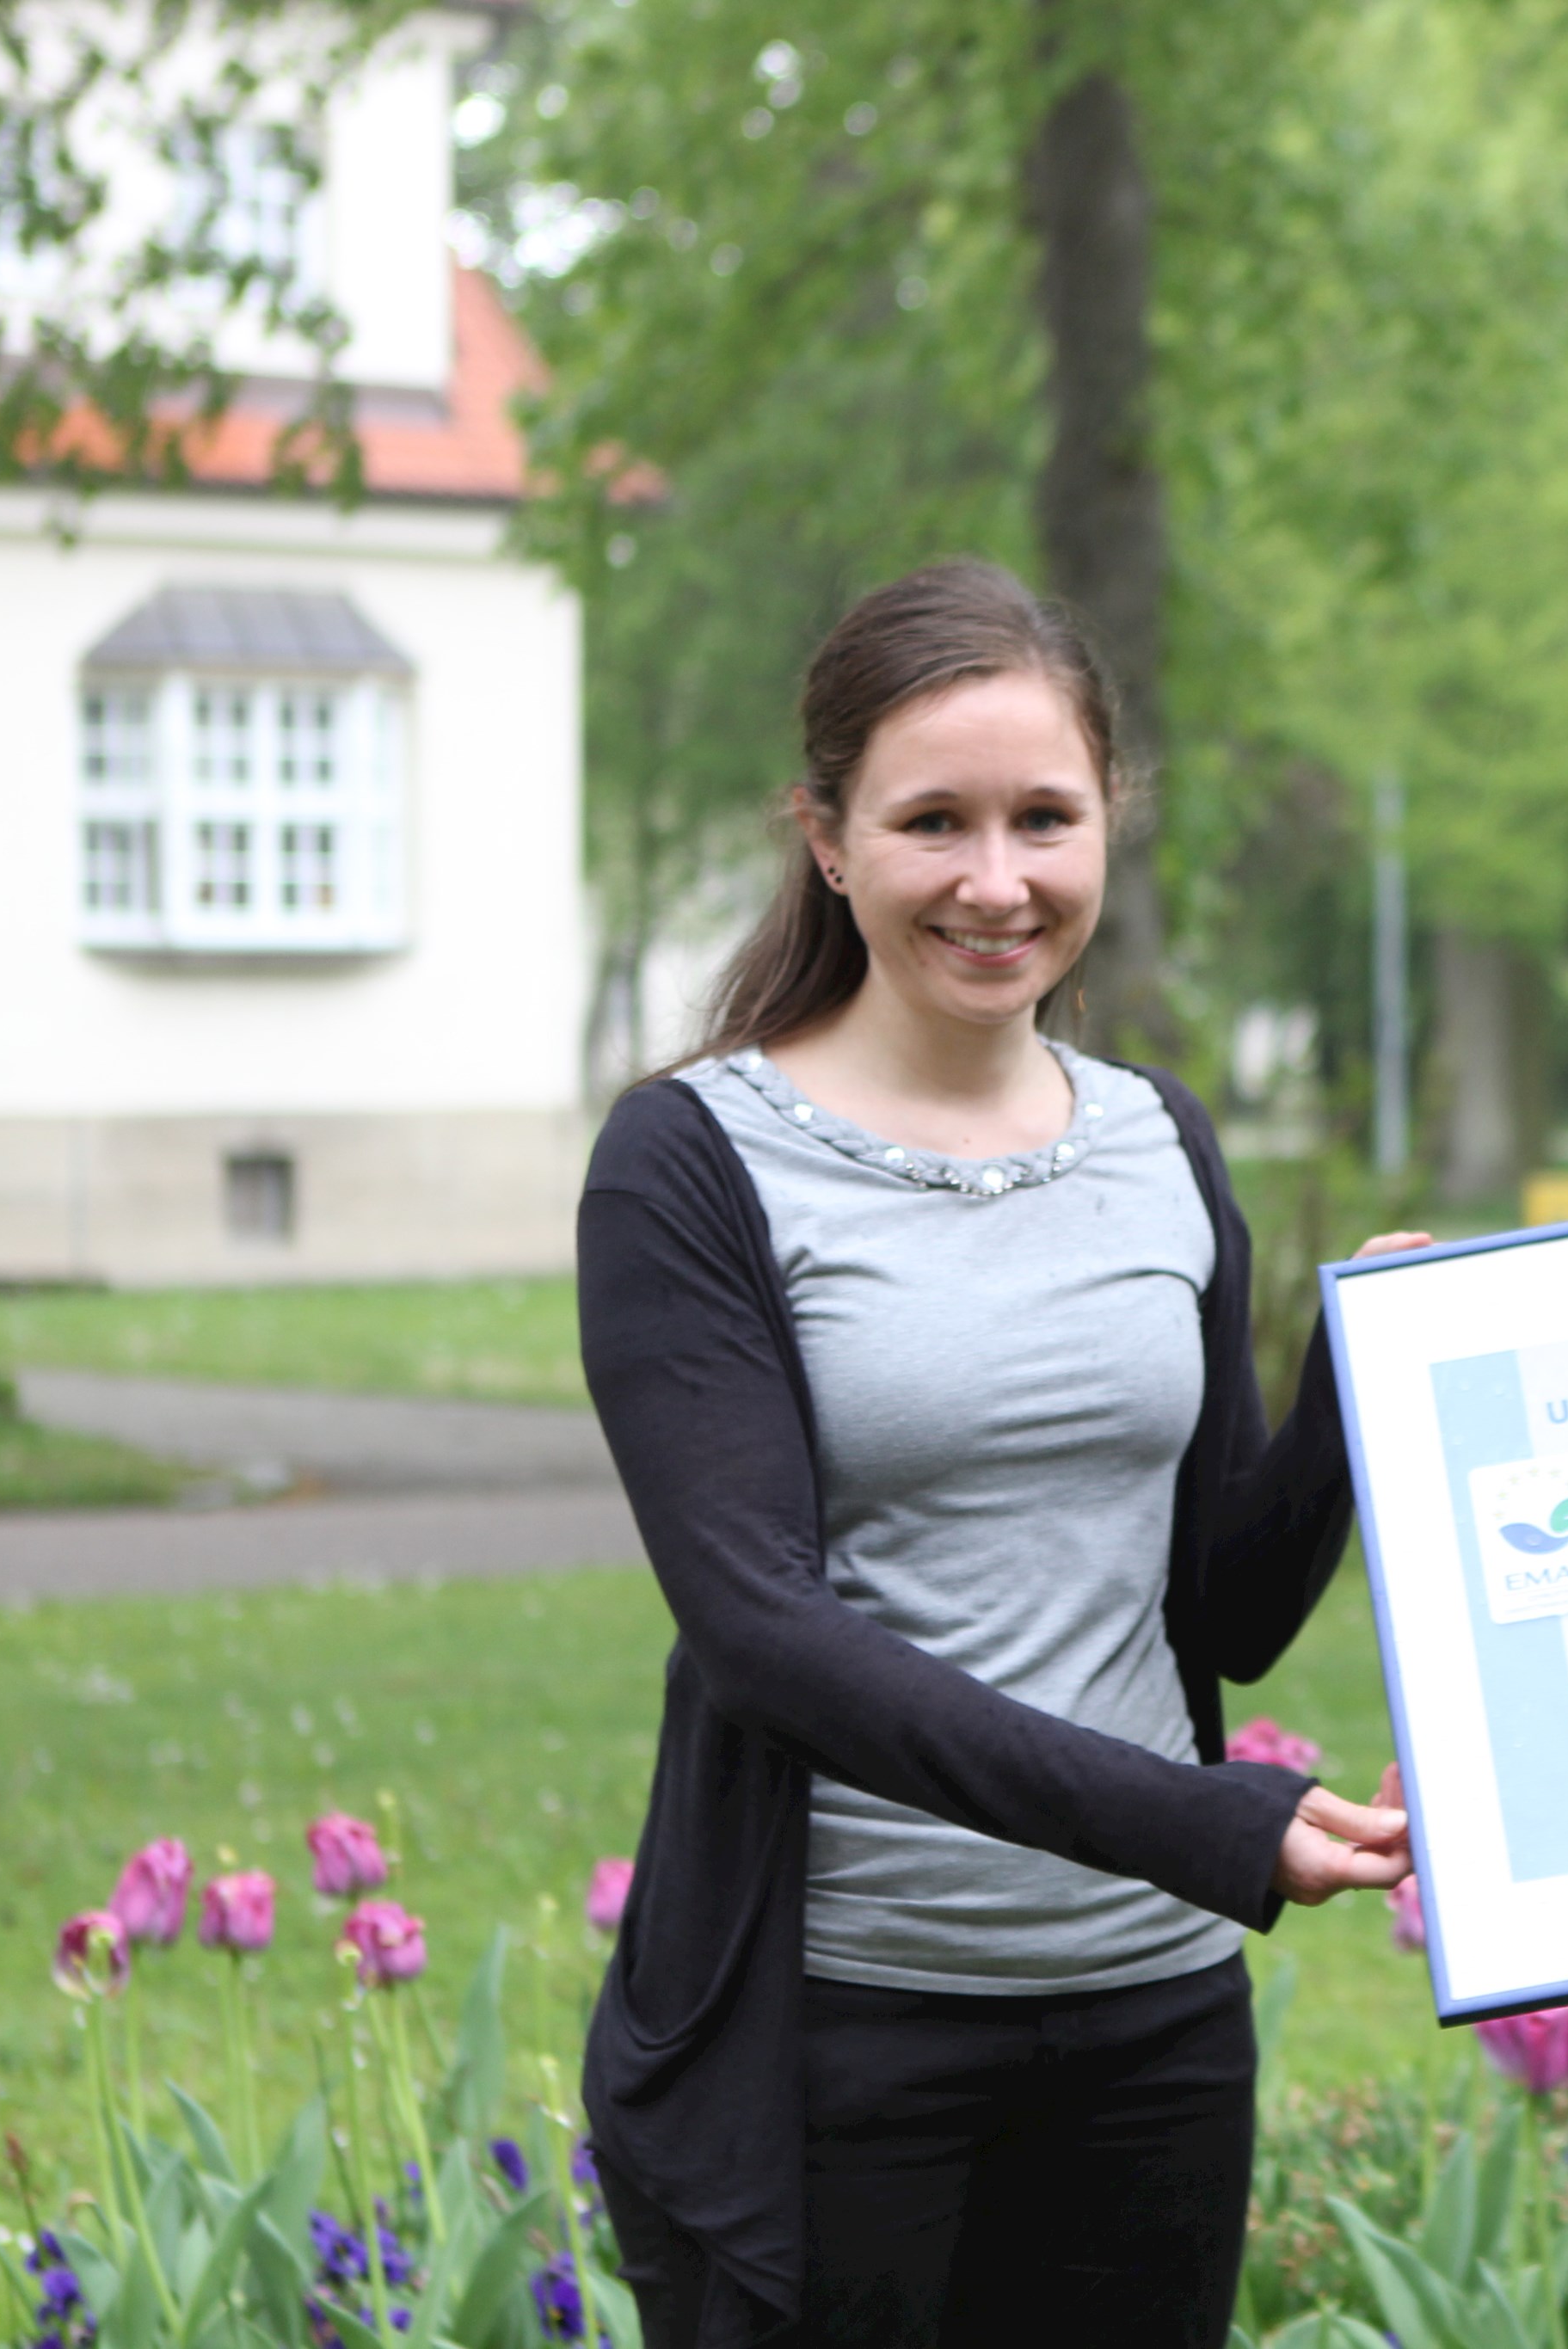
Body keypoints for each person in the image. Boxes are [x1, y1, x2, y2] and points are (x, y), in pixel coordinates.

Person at [577, 560, 1421, 2349]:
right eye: (930, 821)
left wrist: (1364, 1370)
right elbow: (767, 1639)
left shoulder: (1153, 1137)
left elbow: (1229, 1606)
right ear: (823, 836)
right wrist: (1209, 1823)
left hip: (1151, 2025)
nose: (995, 879)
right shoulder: (689, 1164)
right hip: (838, 2036)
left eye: (1044, 817)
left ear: (1109, 817)